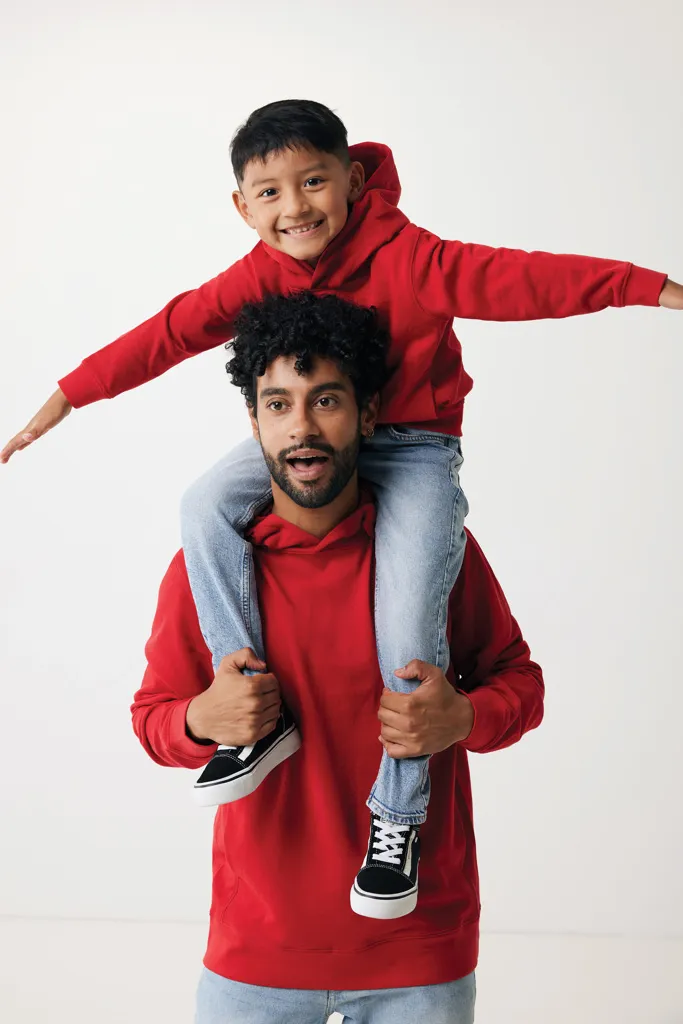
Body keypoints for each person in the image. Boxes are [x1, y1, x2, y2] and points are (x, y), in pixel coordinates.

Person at [4, 99, 680, 849]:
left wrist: (652, 287)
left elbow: (526, 280)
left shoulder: (411, 258)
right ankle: (252, 708)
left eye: (313, 182)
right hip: (312, 436)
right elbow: (172, 330)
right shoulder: (261, 275)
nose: (295, 207)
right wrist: (66, 396)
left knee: (406, 628)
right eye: (270, 192)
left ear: (353, 180)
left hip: (413, 446)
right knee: (202, 504)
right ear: (243, 207)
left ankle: (398, 812)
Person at [131, 291, 544, 1021]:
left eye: (325, 400)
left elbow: (520, 683)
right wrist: (199, 719)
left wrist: (464, 717)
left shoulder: (434, 557)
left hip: (418, 951)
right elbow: (152, 718)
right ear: (254, 422)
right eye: (279, 405)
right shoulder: (206, 570)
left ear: (368, 414)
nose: (302, 427)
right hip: (255, 953)